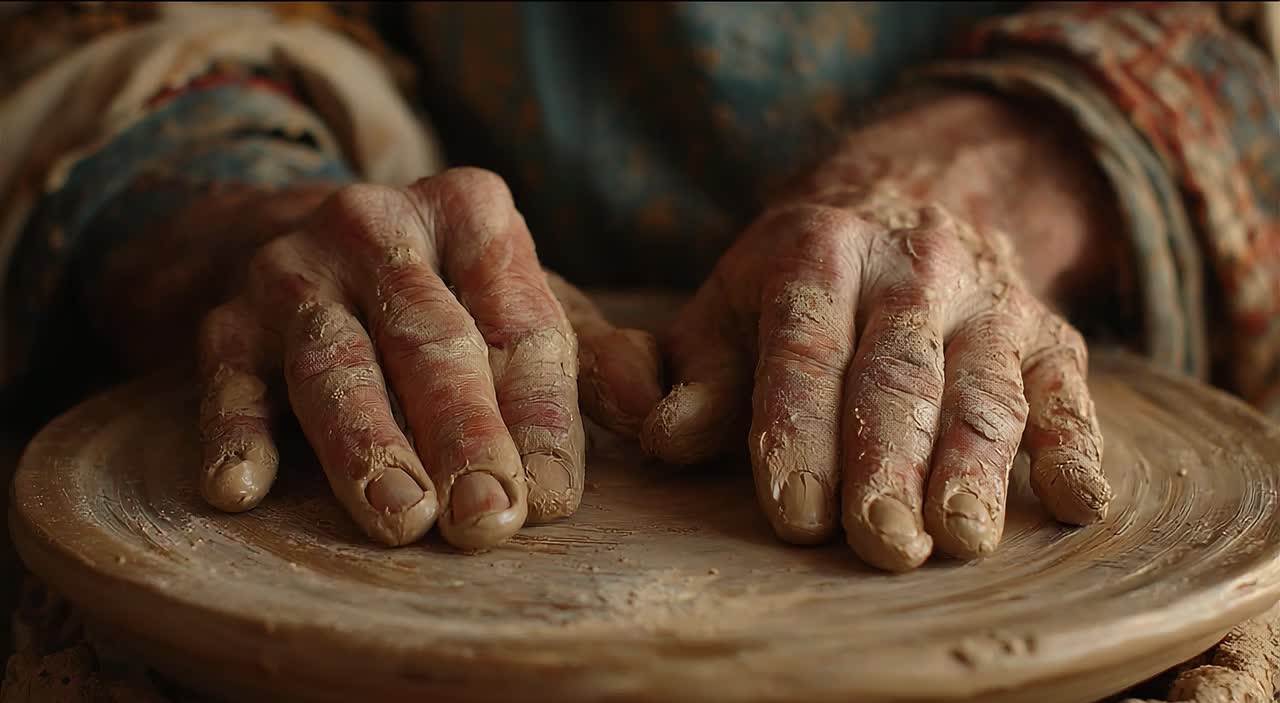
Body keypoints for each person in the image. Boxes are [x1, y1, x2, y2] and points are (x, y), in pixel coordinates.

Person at [2, 1, 1278, 574]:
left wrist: (987, 178)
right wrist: (259, 217)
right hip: (475, 306)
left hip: (1017, 278)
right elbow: (110, 28)